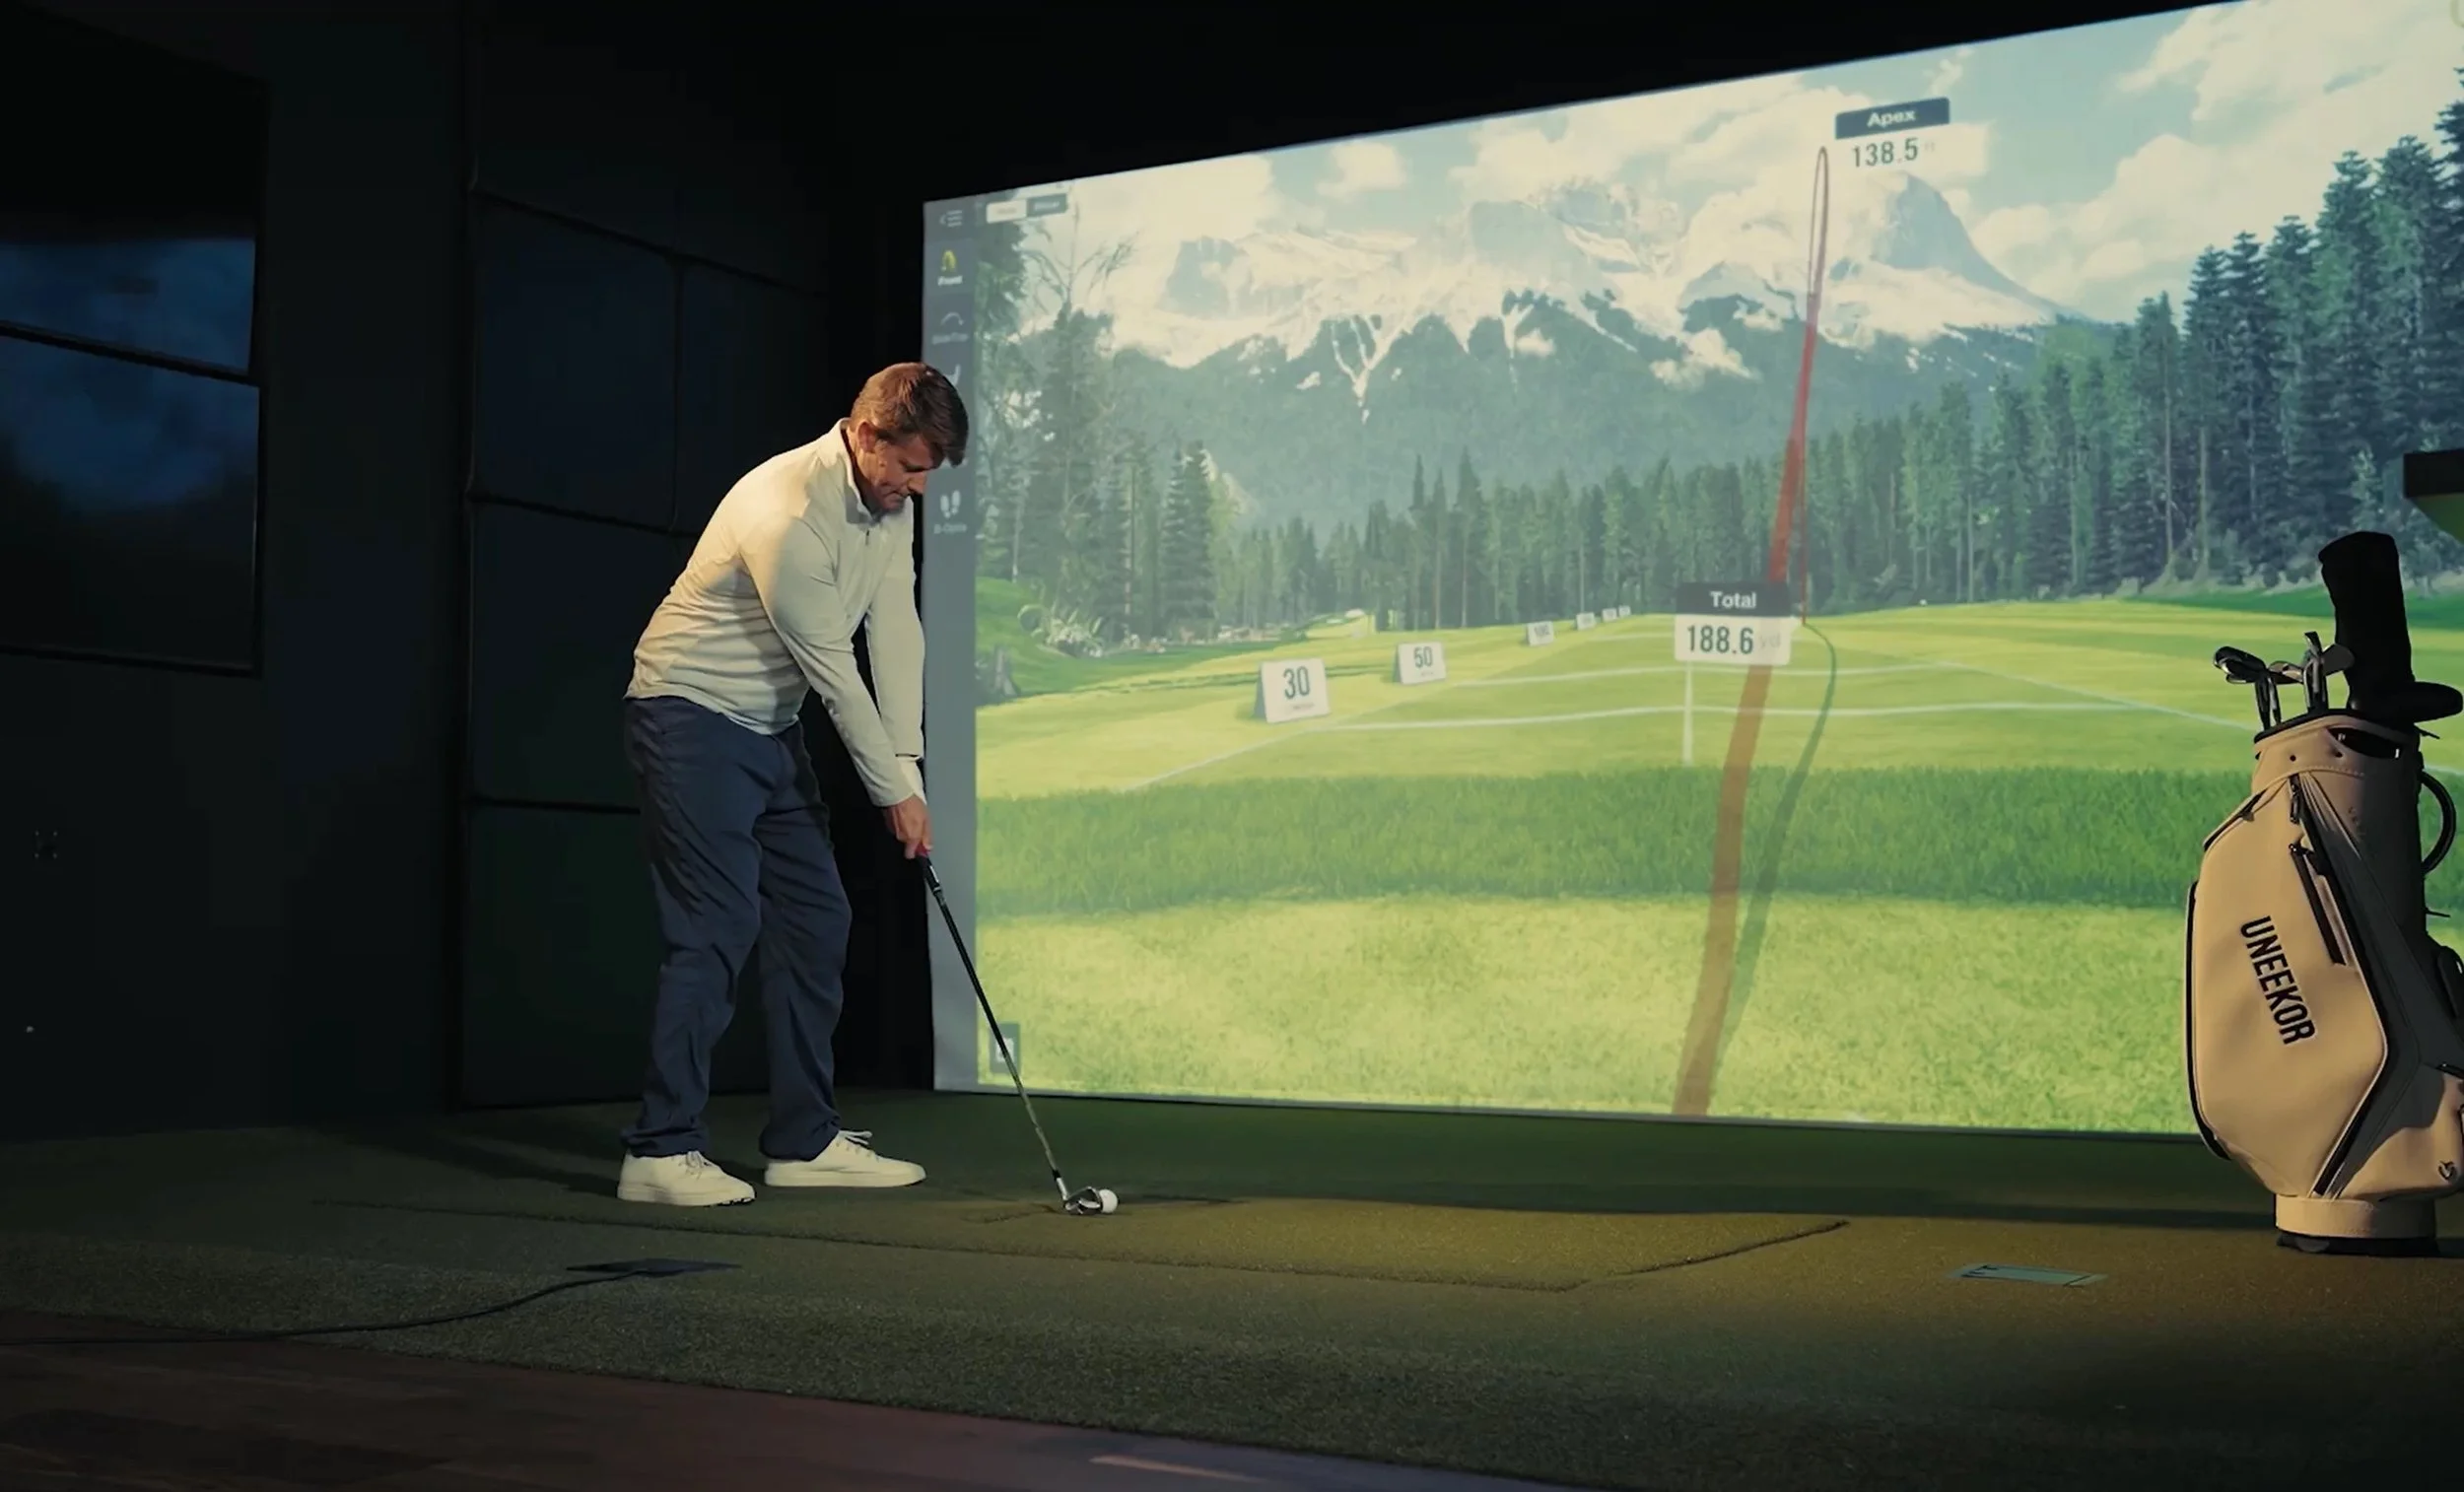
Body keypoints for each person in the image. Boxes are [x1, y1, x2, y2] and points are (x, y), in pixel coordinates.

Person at [611, 362, 964, 1207]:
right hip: (686, 712)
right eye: (910, 467)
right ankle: (658, 1152)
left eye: (927, 475)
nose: (916, 489)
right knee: (717, 924)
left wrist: (910, 766)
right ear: (868, 434)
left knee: (816, 916)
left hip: (766, 727)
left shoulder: (884, 506)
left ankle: (804, 1142)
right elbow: (835, 674)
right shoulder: (787, 513)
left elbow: (896, 627)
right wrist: (894, 797)